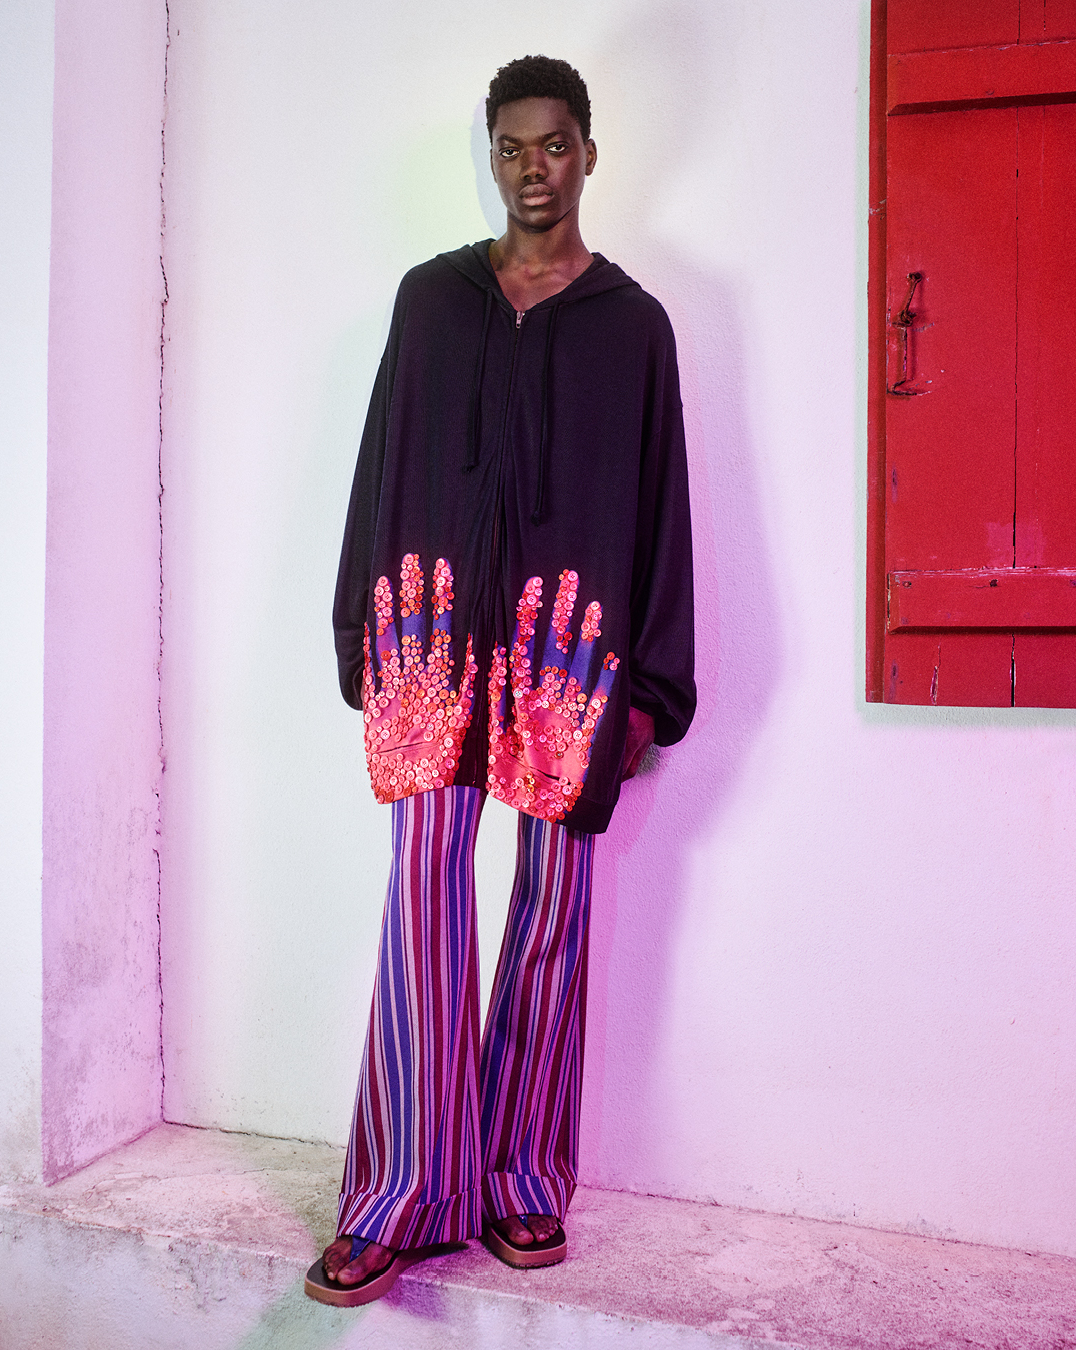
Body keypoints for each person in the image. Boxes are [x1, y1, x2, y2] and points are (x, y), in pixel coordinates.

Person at [305, 54, 695, 1308]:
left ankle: (523, 1177)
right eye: (512, 148)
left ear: (590, 154)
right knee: (423, 900)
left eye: (555, 145)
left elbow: (662, 508)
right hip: (430, 644)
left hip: (570, 656)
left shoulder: (633, 325)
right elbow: (379, 466)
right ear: (492, 155)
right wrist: (360, 632)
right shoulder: (432, 301)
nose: (534, 169)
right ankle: (401, 1194)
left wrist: (653, 688)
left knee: (551, 910)